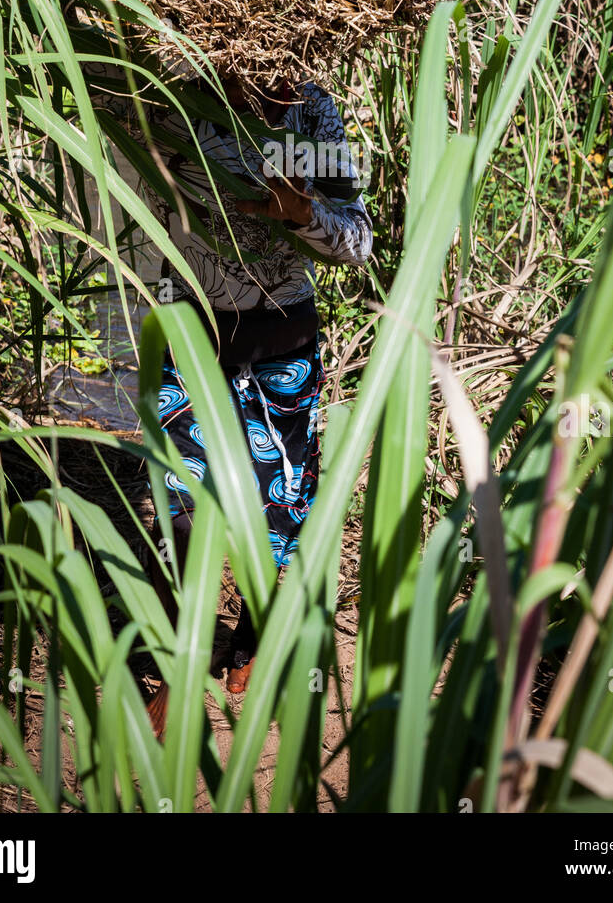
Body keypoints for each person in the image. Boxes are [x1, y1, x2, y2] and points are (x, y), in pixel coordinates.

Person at [89, 61, 372, 727]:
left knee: (278, 512)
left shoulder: (312, 114)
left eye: (291, 64)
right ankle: (174, 670)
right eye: (259, 68)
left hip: (282, 345)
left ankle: (248, 643)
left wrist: (303, 215)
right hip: (193, 335)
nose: (275, 85)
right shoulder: (176, 100)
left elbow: (356, 238)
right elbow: (103, 104)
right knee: (182, 511)